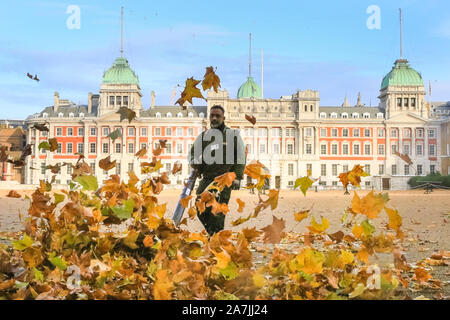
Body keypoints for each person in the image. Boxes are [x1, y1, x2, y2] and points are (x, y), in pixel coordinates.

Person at [188, 105, 246, 236]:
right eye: (212, 116)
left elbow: (241, 156)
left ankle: (216, 240)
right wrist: (195, 163)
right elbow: (192, 155)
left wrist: (237, 177)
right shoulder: (203, 137)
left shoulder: (233, 135)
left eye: (217, 116)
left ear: (223, 118)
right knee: (200, 207)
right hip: (207, 178)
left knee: (217, 212)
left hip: (224, 179)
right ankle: (213, 235)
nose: (214, 118)